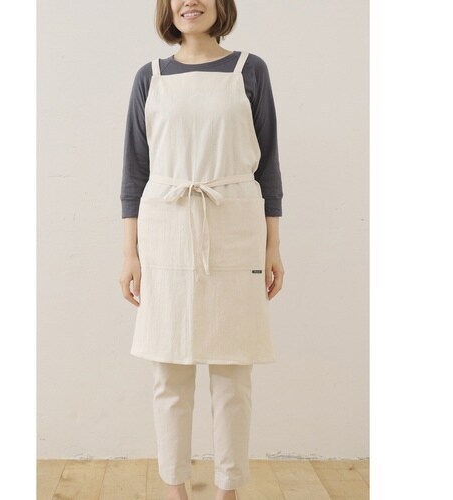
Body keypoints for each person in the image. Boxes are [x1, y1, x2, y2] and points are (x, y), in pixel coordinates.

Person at [119, 1, 285, 499]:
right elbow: (134, 172)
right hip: (165, 228)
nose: (190, 1)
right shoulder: (149, 77)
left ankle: (228, 489)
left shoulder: (250, 70)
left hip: (234, 226)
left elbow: (268, 166)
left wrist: (273, 245)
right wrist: (129, 254)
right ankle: (176, 488)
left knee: (233, 372)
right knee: (170, 371)